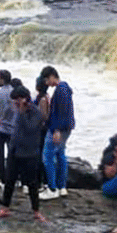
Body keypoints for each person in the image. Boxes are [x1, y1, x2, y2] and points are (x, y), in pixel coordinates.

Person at [0, 85, 46, 223]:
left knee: (32, 184)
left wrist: (21, 112)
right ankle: (5, 208)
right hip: (14, 152)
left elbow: (29, 129)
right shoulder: (17, 111)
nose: (14, 104)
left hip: (30, 154)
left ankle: (36, 211)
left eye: (16, 101)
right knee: (9, 181)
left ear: (24, 99)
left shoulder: (36, 113)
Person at [39, 65, 74, 200]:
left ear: (52, 76)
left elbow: (62, 112)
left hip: (59, 129)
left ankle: (52, 188)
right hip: (65, 128)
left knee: (47, 156)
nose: (47, 84)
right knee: (60, 155)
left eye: (47, 80)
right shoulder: (64, 88)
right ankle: (61, 187)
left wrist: (57, 130)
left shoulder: (61, 89)